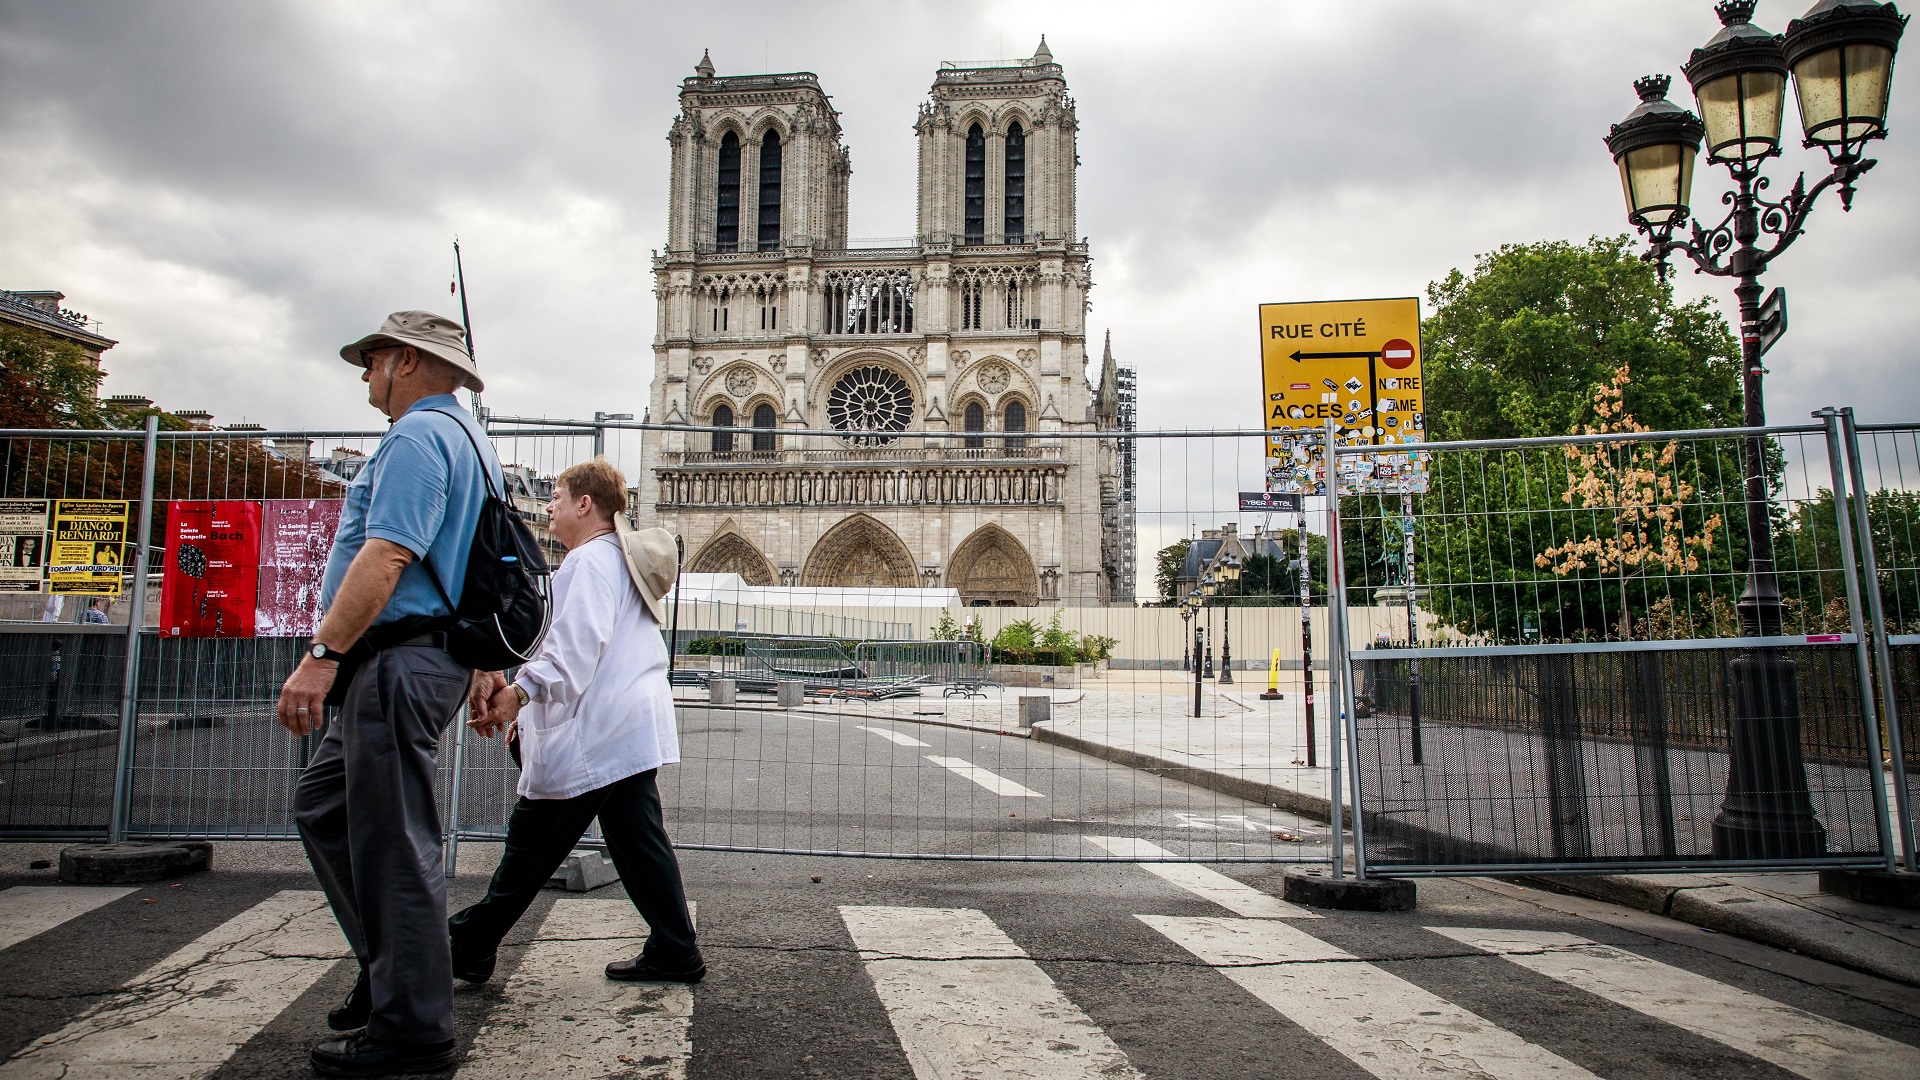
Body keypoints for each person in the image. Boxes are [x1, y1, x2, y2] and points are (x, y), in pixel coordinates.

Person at [276, 310, 500, 1078]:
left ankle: (410, 1030)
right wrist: (480, 660)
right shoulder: (470, 439)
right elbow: (478, 565)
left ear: (405, 361)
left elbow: (389, 551)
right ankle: (403, 971)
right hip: (422, 656)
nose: (364, 374)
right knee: (326, 805)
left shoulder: (417, 437)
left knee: (393, 842)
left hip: (397, 659)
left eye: (369, 361)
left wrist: (321, 655)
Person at [452, 458, 702, 986]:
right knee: (636, 840)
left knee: (533, 839)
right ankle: (676, 949)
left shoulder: (588, 562)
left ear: (585, 504)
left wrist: (520, 694)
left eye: (558, 498)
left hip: (600, 729)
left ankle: (472, 941)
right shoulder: (620, 560)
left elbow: (574, 649)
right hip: (626, 723)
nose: (548, 507)